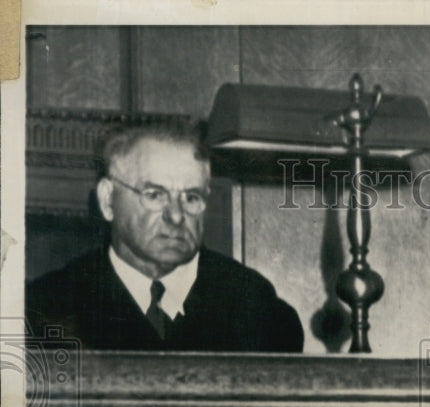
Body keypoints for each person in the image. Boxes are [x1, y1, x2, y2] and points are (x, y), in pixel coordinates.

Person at [26, 121, 304, 351]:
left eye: (191, 197)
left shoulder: (258, 309)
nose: (176, 216)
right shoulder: (46, 308)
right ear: (108, 200)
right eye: (155, 195)